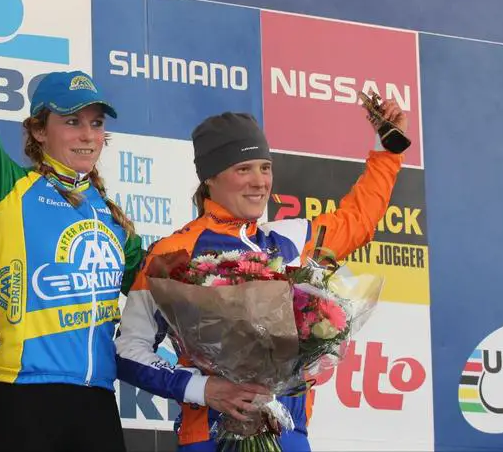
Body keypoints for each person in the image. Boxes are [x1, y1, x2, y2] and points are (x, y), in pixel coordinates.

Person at [115, 104, 407, 451]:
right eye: (243, 169)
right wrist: (204, 389)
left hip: (289, 436)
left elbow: (359, 220)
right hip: (208, 437)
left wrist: (387, 151)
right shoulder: (171, 253)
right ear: (210, 177)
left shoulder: (292, 239)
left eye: (265, 168)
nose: (259, 181)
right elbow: (128, 351)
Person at [0, 5, 143, 452]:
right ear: (38, 131)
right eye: (71, 121)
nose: (88, 135)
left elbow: (160, 291)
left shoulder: (112, 216)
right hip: (25, 395)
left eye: (96, 123)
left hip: (99, 400)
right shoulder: (9, 188)